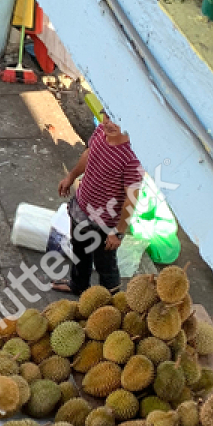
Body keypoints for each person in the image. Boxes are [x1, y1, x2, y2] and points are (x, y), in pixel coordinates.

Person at [58, 116, 143, 295]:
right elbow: (88, 155)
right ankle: (78, 286)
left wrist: (118, 232)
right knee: (79, 250)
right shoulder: (99, 132)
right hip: (82, 207)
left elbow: (131, 199)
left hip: (106, 222)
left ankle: (111, 301)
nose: (110, 123)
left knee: (105, 264)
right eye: (107, 116)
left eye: (118, 120)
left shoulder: (132, 157)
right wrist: (71, 177)